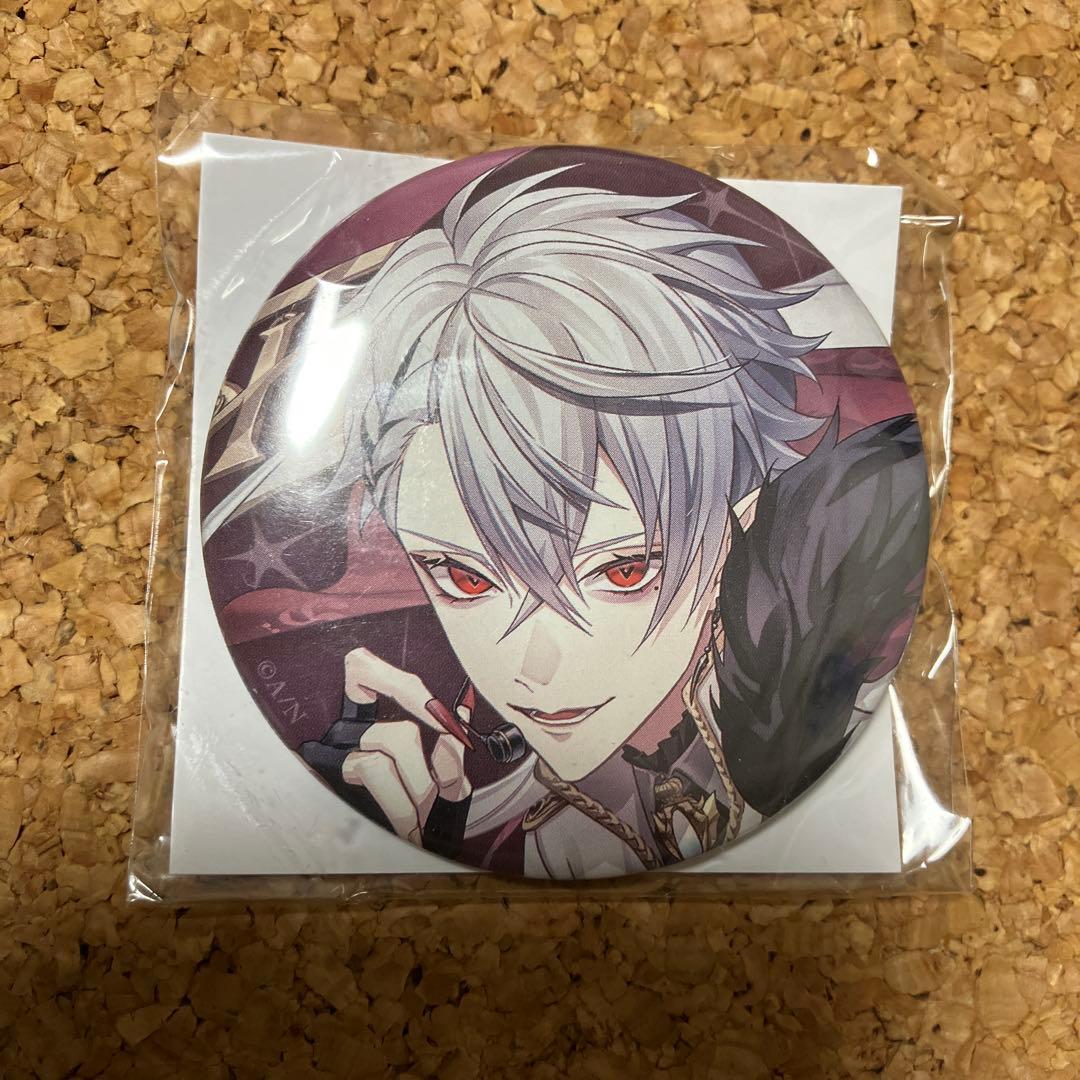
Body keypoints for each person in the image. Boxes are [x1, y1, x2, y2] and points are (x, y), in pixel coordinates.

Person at [207, 152, 929, 878]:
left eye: (624, 570)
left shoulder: (832, 682)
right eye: (463, 577)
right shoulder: (509, 820)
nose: (535, 669)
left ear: (739, 519)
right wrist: (408, 837)